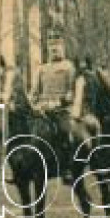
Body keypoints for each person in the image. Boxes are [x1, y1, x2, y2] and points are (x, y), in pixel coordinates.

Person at [30, 28, 79, 175]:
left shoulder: (68, 67)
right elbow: (34, 92)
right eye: (51, 45)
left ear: (62, 47)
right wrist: (34, 104)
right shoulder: (41, 69)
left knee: (65, 131)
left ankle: (68, 167)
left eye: (57, 45)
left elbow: (72, 92)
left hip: (62, 110)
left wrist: (58, 102)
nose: (54, 49)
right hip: (43, 110)